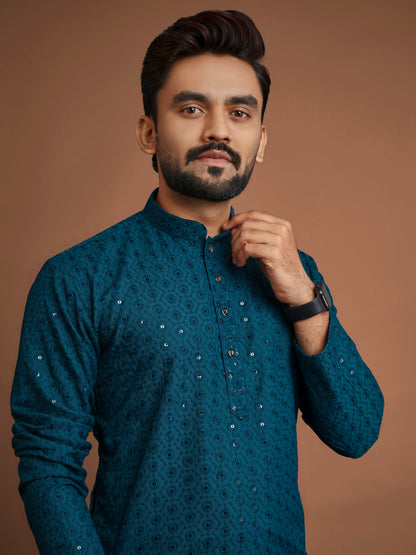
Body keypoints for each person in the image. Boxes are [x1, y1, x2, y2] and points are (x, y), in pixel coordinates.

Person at [11, 10, 384, 555]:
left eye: (240, 112)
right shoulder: (78, 277)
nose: (218, 130)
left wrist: (305, 298)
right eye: (191, 109)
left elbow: (357, 432)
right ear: (149, 132)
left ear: (260, 140)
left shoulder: (290, 271)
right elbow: (48, 463)